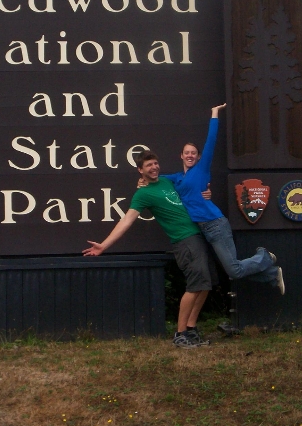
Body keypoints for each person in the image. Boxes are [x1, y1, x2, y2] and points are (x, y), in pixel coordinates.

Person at [83, 150, 217, 348]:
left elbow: (191, 184)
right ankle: (180, 334)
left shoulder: (167, 181)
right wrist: (104, 245)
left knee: (205, 284)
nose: (154, 167)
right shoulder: (143, 194)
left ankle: (191, 329)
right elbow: (127, 220)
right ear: (140, 170)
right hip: (184, 240)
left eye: (155, 163)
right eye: (148, 165)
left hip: (198, 235)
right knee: (195, 285)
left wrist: (206, 192)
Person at [159, 104, 285, 292]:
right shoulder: (177, 178)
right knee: (231, 271)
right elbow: (157, 178)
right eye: (187, 153)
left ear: (199, 157)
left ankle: (264, 256)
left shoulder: (201, 169)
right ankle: (272, 274)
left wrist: (214, 113)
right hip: (202, 230)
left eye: (193, 153)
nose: (190, 155)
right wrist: (143, 180)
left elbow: (211, 140)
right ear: (181, 156)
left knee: (233, 269)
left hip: (215, 225)